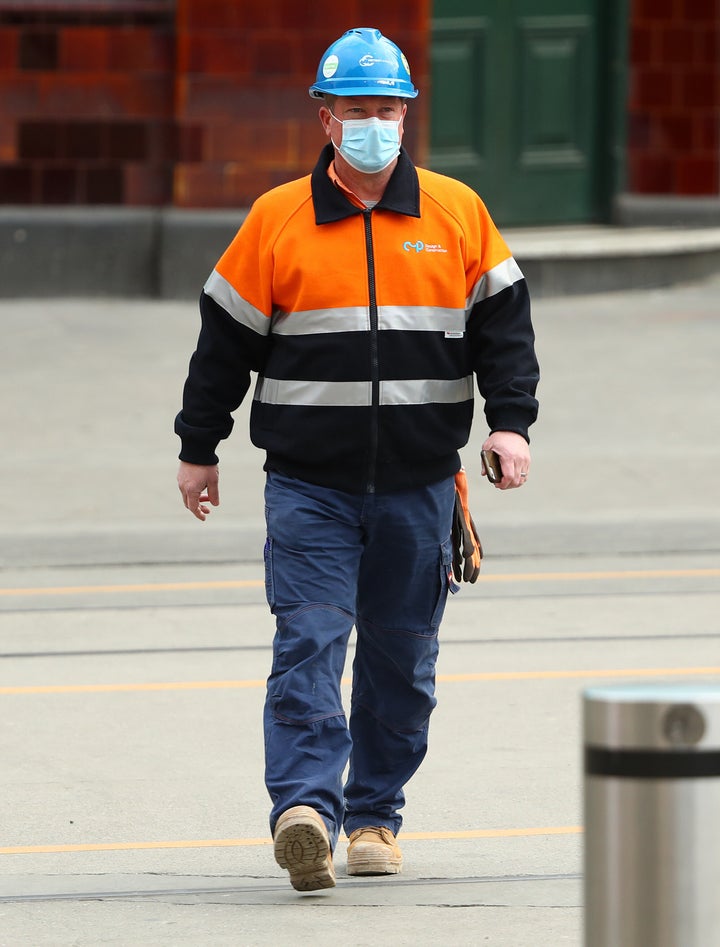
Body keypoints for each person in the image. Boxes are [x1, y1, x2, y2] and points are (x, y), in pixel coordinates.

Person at [175, 27, 539, 892]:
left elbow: (506, 332)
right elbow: (222, 344)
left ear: (406, 115)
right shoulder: (276, 220)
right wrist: (200, 446)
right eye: (355, 111)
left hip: (420, 488)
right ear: (325, 119)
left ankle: (375, 812)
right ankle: (305, 809)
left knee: (401, 659)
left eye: (387, 109)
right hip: (309, 487)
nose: (372, 123)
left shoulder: (457, 213)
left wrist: (510, 423)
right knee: (308, 640)